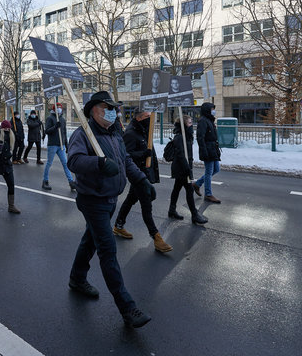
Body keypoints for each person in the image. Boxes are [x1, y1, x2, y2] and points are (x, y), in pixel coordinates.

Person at [67, 91, 155, 328]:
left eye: (114, 108)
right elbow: (73, 161)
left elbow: (125, 162)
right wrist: (99, 163)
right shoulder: (83, 134)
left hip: (110, 199)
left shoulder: (115, 134)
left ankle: (77, 278)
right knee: (107, 249)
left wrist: (141, 181)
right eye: (107, 107)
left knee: (91, 240)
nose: (112, 111)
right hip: (92, 200)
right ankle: (127, 307)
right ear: (94, 110)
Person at [112, 110, 172, 252]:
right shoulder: (131, 133)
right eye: (147, 117)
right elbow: (126, 156)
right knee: (147, 207)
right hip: (138, 175)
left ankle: (118, 226)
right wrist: (143, 154)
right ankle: (156, 237)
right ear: (139, 118)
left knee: (130, 200)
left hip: (143, 173)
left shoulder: (144, 130)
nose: (150, 119)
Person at [168, 115, 208, 224]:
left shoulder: (186, 136)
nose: (192, 125)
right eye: (189, 123)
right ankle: (194, 215)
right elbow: (181, 155)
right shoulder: (180, 137)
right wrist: (188, 170)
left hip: (183, 167)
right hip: (182, 168)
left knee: (176, 189)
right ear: (183, 125)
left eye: (191, 122)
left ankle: (171, 210)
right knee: (189, 190)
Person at [42, 103, 76, 192]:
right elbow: (47, 131)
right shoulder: (50, 118)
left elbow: (64, 133)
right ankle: (45, 181)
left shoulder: (62, 119)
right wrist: (55, 127)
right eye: (58, 108)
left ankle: (71, 182)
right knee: (49, 163)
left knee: (65, 164)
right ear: (54, 109)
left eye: (60, 108)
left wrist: (67, 145)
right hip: (52, 144)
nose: (60, 109)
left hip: (61, 146)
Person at [193, 102, 221, 203]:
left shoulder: (209, 120)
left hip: (213, 148)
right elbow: (200, 138)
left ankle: (197, 184)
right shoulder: (203, 121)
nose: (214, 110)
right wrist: (204, 151)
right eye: (212, 109)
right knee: (209, 172)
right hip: (208, 149)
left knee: (216, 169)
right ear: (207, 110)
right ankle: (208, 194)